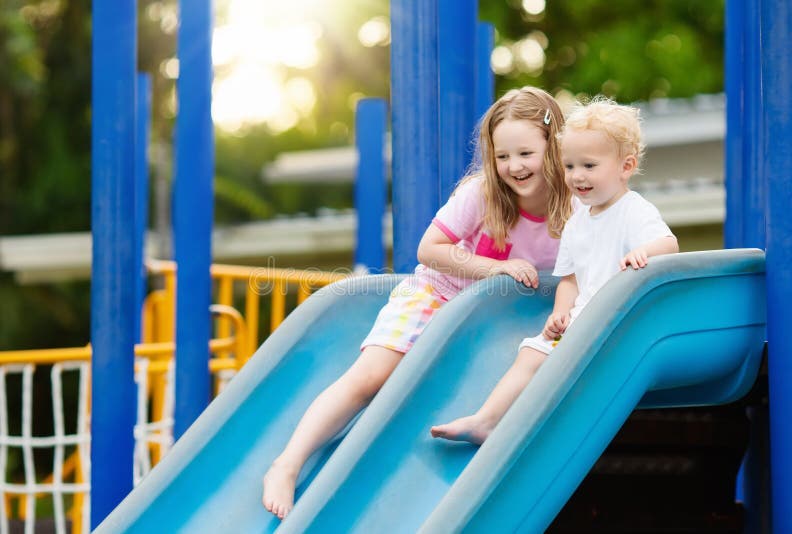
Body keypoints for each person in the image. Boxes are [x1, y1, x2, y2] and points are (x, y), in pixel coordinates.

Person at [262, 86, 574, 519]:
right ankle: (288, 463)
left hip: (496, 322)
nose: (514, 167)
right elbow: (429, 249)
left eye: (526, 153)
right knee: (372, 377)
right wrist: (494, 267)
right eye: (503, 156)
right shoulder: (483, 193)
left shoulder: (575, 206)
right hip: (436, 293)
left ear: (553, 145)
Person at [430, 97, 679, 445]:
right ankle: (486, 421)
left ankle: (540, 432)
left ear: (626, 166)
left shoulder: (633, 211)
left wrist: (643, 252)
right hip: (582, 322)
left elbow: (668, 244)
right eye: (570, 166)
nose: (577, 176)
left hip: (618, 322)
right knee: (533, 350)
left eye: (589, 166)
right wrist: (561, 313)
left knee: (562, 370)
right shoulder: (577, 221)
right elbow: (570, 278)